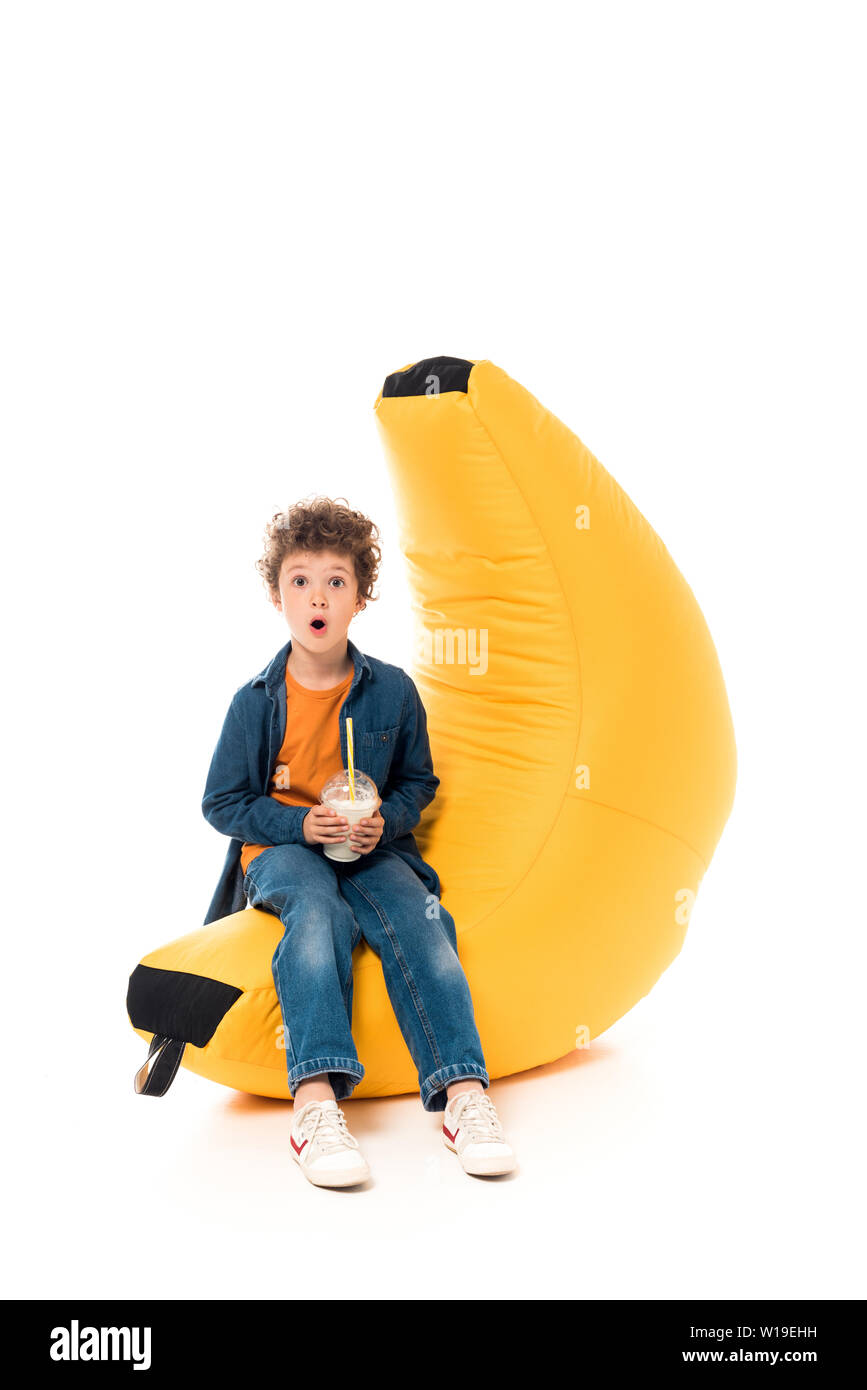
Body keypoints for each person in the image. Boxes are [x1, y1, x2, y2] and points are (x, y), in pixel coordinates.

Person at [202, 496, 516, 1187]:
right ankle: (314, 1102)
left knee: (422, 920)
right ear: (279, 596)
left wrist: (387, 822)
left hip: (370, 847)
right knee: (318, 919)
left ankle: (463, 1094)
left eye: (336, 581)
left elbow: (417, 781)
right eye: (301, 580)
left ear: (360, 598)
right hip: (283, 850)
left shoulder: (394, 693)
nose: (318, 595)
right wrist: (295, 824)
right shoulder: (255, 701)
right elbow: (222, 803)